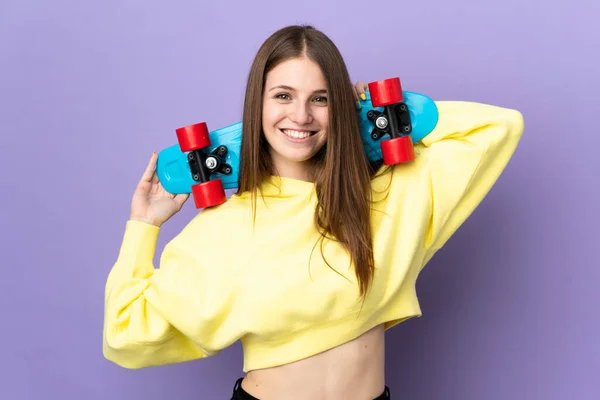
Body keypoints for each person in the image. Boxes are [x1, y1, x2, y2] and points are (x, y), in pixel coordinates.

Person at [102, 24, 524, 400]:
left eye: (320, 99)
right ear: (258, 105)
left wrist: (370, 118)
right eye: (283, 96)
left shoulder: (390, 196)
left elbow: (497, 127)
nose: (300, 116)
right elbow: (125, 333)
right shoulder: (225, 228)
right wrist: (144, 225)